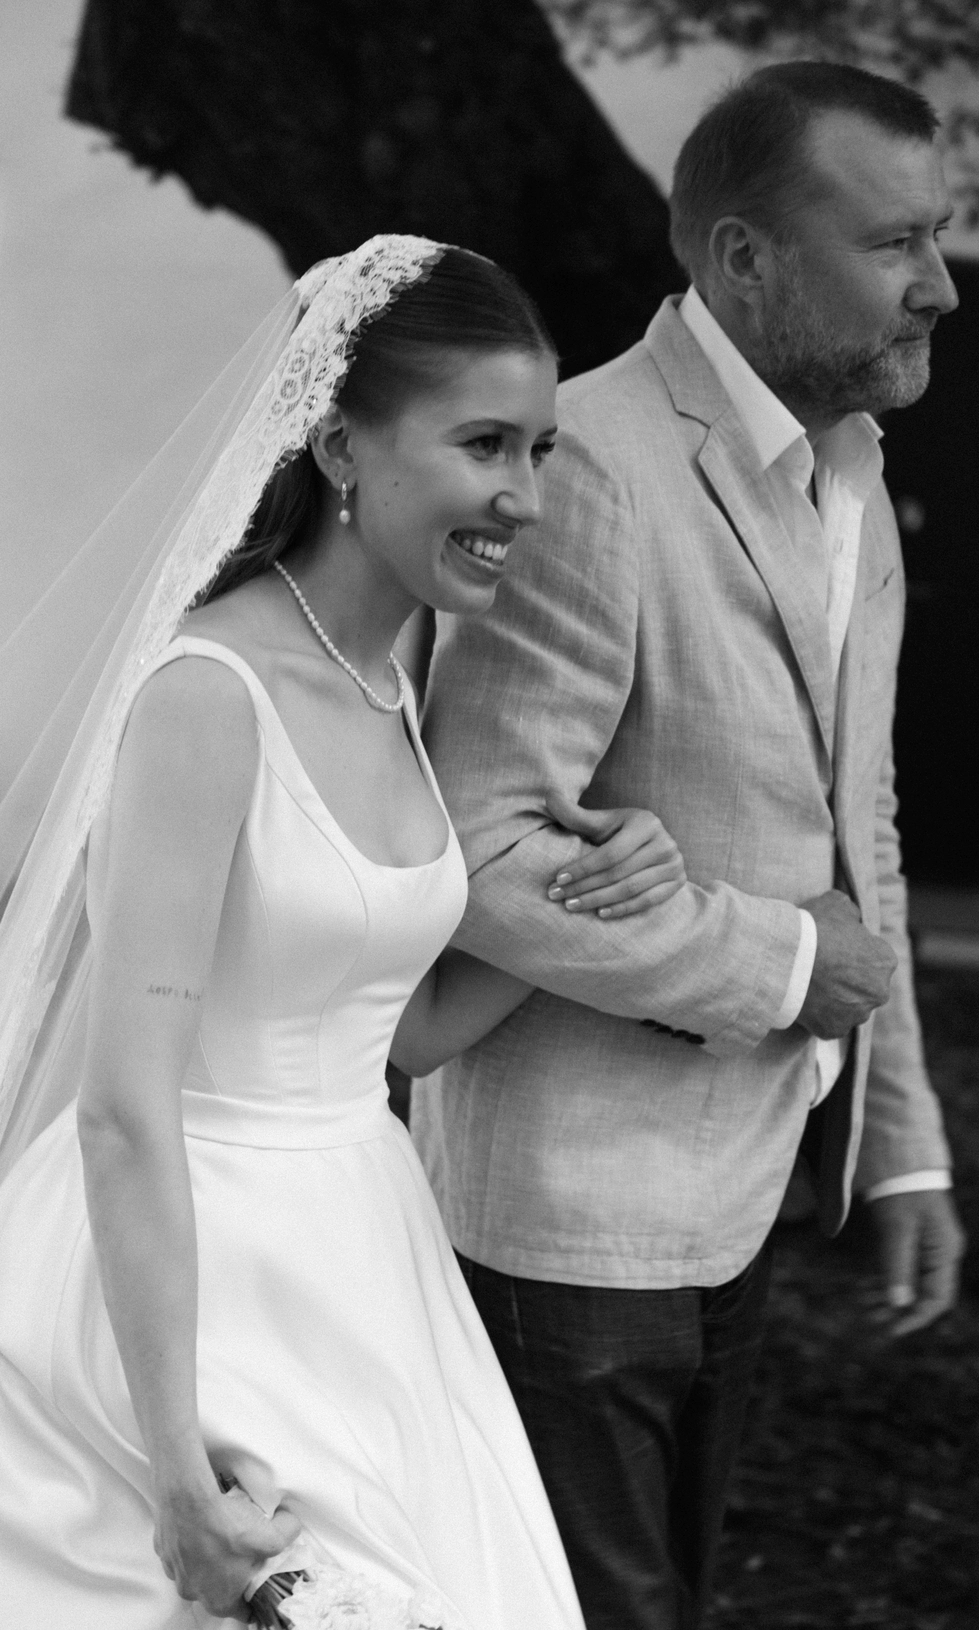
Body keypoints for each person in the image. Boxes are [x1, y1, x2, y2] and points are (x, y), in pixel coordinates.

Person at [0, 237, 688, 1628]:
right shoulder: (209, 693)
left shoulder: (390, 684)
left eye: (542, 450)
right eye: (485, 444)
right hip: (187, 1273)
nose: (526, 496)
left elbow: (401, 1030)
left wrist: (596, 891)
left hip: (365, 1254)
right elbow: (124, 1108)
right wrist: (178, 1474)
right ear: (339, 449)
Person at [415, 61, 966, 1630]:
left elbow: (860, 828)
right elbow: (479, 846)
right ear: (744, 259)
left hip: (750, 1189)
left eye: (935, 236)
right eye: (895, 243)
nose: (942, 284)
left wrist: (903, 1138)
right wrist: (785, 965)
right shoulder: (584, 463)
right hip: (569, 1217)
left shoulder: (854, 471)